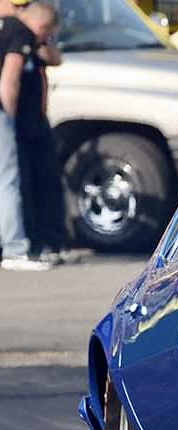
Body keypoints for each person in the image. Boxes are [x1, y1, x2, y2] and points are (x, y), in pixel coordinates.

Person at [12, 0, 66, 264]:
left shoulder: (36, 44)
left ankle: (51, 240)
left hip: (37, 119)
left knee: (47, 179)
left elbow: (56, 59)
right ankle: (31, 240)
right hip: (19, 120)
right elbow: (9, 80)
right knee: (23, 182)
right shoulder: (15, 38)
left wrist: (42, 45)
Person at [0, 0, 51, 270]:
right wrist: (10, 118)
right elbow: (9, 79)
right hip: (3, 114)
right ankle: (14, 249)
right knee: (7, 180)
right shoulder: (18, 30)